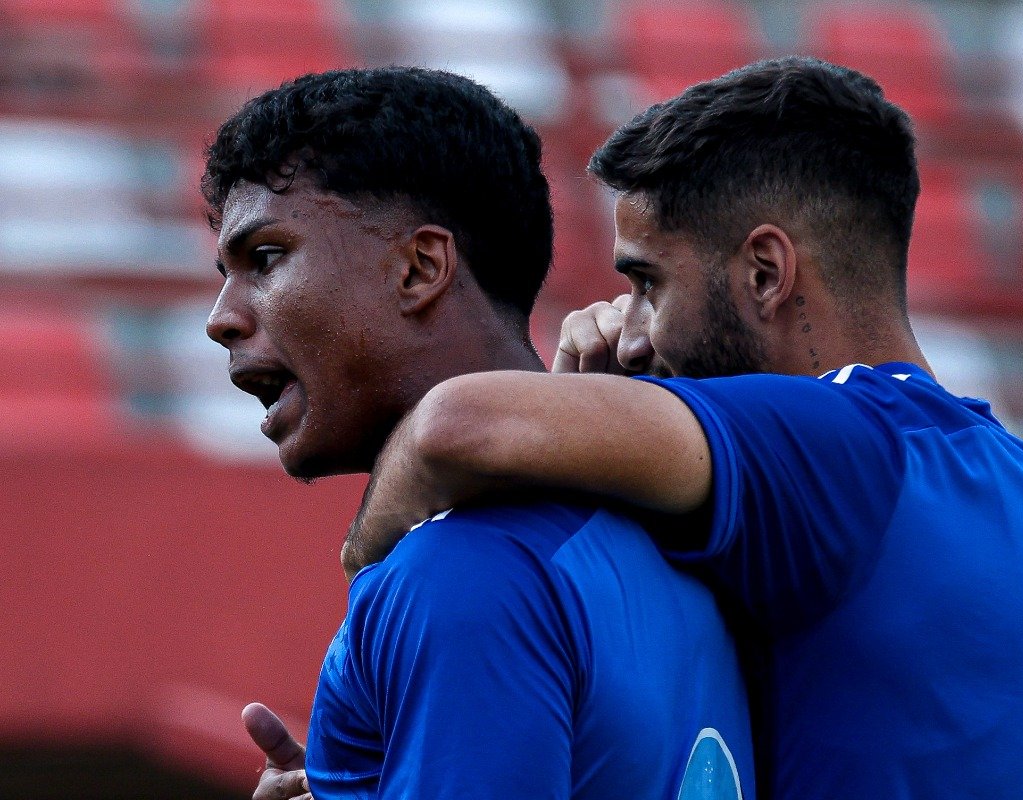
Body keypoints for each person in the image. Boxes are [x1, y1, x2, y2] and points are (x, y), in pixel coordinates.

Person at [343, 57, 1023, 799]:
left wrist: (365, 567)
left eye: (650, 282)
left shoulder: (839, 446)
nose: (635, 332)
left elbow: (455, 427)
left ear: (765, 272)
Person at [202, 66, 753, 800]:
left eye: (265, 258)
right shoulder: (684, 542)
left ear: (420, 267)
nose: (221, 317)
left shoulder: (457, 576)